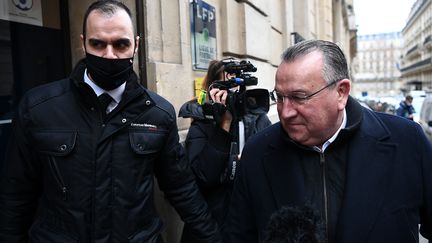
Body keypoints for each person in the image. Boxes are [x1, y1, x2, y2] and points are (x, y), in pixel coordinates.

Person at [0, 1, 221, 242]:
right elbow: (16, 194)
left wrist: (212, 238)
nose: (109, 54)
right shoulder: (39, 107)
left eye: (120, 44)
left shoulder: (158, 114)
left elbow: (182, 189)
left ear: (136, 44)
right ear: (83, 42)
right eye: (98, 43)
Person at [223, 40, 432, 242]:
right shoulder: (257, 154)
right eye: (279, 97)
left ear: (341, 92)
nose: (285, 112)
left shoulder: (407, 142)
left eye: (299, 97)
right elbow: (239, 236)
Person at [179, 59, 271, 242]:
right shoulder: (202, 121)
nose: (231, 93)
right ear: (213, 89)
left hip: (249, 220)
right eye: (226, 86)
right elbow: (203, 176)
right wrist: (224, 124)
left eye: (236, 85)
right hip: (214, 222)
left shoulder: (257, 118)